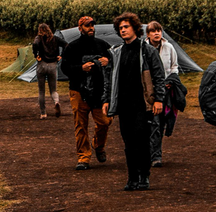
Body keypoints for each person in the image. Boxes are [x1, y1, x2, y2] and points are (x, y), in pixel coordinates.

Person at [105, 12, 165, 191]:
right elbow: (110, 78)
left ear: (135, 28)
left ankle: (144, 176)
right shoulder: (117, 52)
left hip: (142, 104)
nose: (123, 30)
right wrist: (106, 100)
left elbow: (158, 76)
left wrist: (158, 99)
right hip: (124, 105)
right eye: (120, 28)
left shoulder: (147, 51)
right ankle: (132, 177)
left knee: (142, 140)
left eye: (126, 27)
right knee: (128, 142)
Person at [61, 16, 111, 170]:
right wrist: (80, 68)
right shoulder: (72, 47)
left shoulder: (102, 45)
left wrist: (108, 61)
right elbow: (64, 68)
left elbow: (114, 61)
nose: (91, 28)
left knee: (104, 121)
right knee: (80, 125)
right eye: (88, 26)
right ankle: (83, 157)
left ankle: (98, 145)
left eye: (92, 26)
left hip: (98, 92)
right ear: (80, 28)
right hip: (78, 91)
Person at [147, 21, 181, 166]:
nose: (157, 33)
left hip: (165, 89)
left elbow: (174, 66)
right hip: (149, 90)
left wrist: (171, 81)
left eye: (159, 30)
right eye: (153, 31)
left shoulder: (169, 47)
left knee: (160, 122)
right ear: (148, 34)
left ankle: (155, 154)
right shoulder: (144, 49)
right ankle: (154, 156)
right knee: (152, 122)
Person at [33, 23, 65, 118]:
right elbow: (66, 44)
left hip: (42, 65)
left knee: (41, 91)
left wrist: (36, 55)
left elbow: (35, 44)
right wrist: (61, 55)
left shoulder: (39, 38)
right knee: (53, 90)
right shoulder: (55, 38)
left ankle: (43, 113)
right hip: (53, 65)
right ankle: (56, 102)